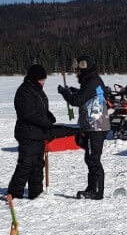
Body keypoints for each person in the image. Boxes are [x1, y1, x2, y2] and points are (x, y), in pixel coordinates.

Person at [58, 54, 110, 200]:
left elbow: (77, 100)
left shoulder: (92, 81)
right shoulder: (94, 80)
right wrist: (73, 90)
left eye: (78, 70)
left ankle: (97, 192)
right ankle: (92, 188)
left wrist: (65, 93)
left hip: (96, 126)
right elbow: (88, 95)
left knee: (93, 159)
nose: (76, 73)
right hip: (96, 124)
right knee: (90, 158)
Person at [7, 64, 55, 200]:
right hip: (27, 133)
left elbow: (40, 108)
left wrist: (48, 115)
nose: (43, 82)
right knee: (25, 166)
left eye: (44, 80)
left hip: (38, 134)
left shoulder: (38, 90)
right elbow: (29, 113)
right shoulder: (24, 91)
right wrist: (46, 122)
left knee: (37, 166)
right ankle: (14, 194)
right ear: (34, 79)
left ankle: (36, 193)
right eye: (41, 80)